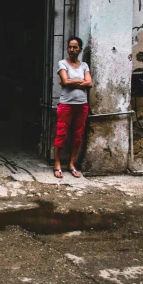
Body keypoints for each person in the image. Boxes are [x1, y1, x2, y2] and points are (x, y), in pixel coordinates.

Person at [53, 36, 92, 178]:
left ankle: (71, 163)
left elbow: (90, 83)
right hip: (66, 104)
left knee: (77, 135)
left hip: (82, 105)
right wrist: (80, 81)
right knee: (61, 133)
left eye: (75, 47)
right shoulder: (62, 63)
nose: (72, 49)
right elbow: (65, 80)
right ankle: (57, 164)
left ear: (80, 49)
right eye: (70, 47)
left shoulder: (84, 66)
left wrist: (70, 81)